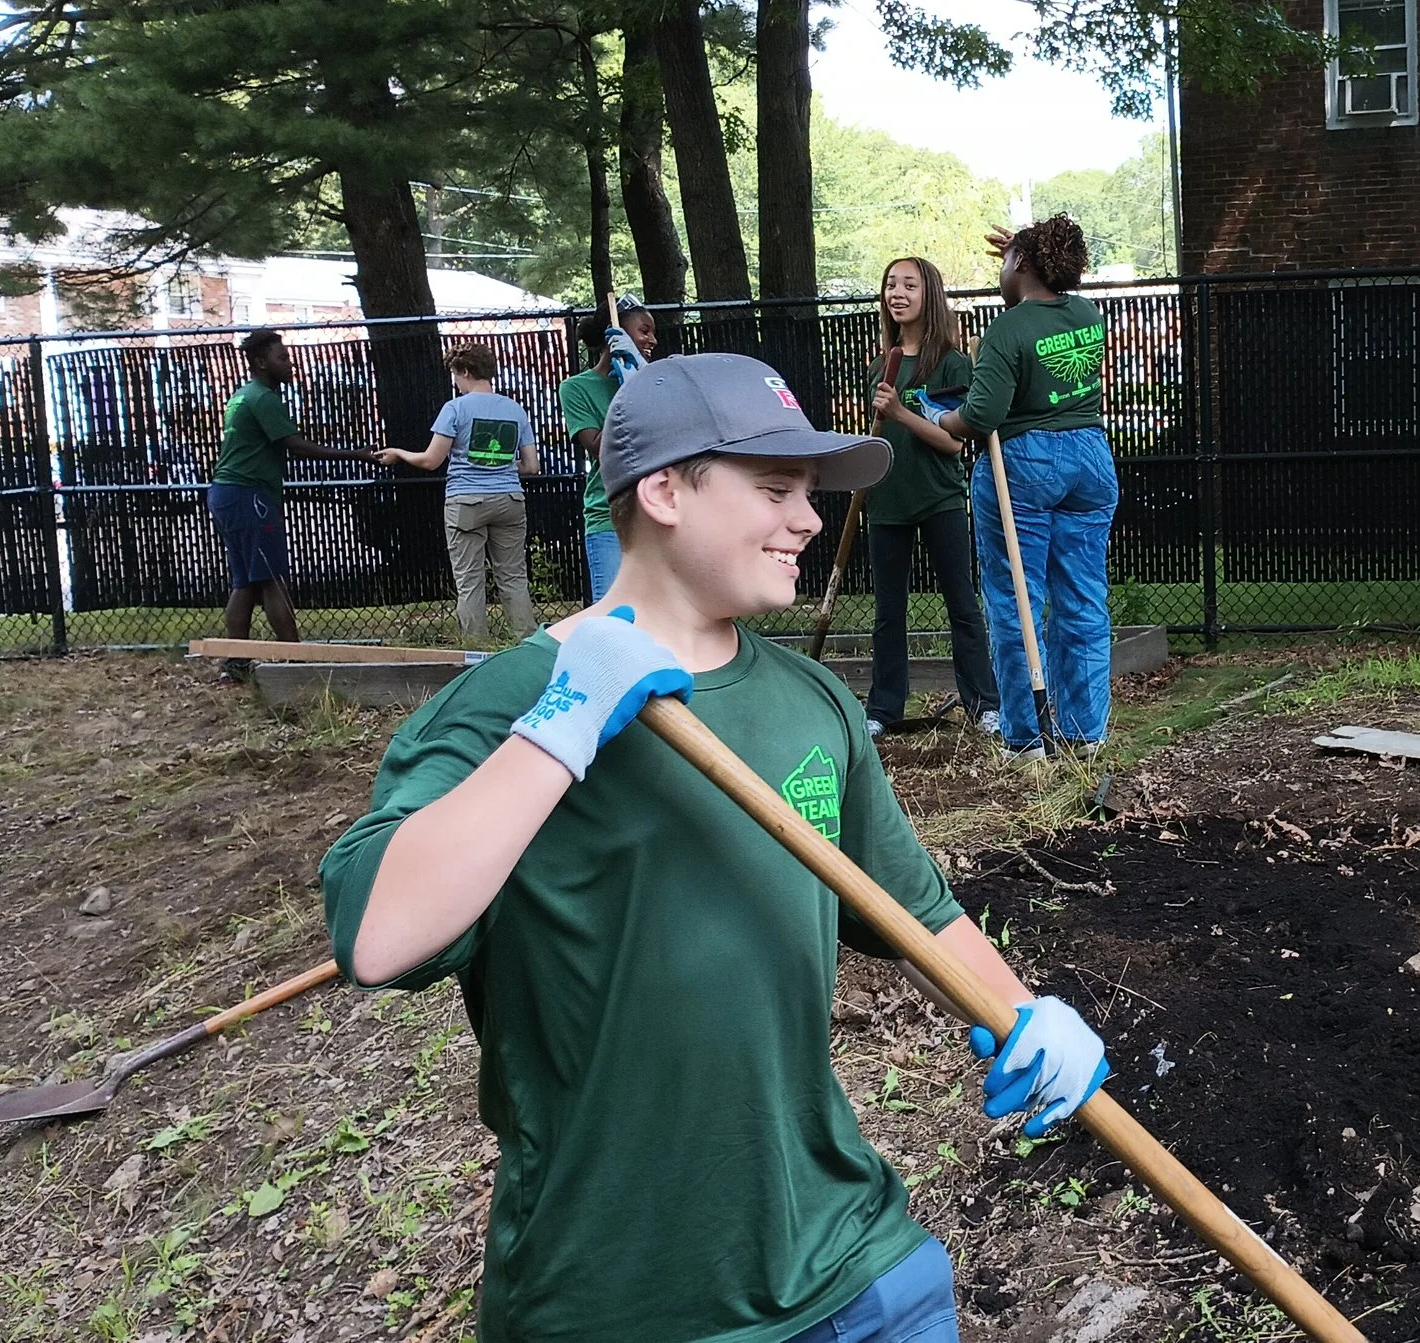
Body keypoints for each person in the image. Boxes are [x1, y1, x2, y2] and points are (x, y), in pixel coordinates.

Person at [318, 352, 1110, 1343]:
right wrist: (560, 726)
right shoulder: (504, 706)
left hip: (853, 1268)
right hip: (615, 1300)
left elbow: (916, 913)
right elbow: (377, 936)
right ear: (663, 492)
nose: (809, 519)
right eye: (776, 489)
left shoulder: (812, 704)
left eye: (810, 492)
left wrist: (1025, 1012)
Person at [916, 215, 1116, 758]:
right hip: (1090, 458)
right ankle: (1085, 732)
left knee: (1015, 599)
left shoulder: (1006, 330)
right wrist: (1030, 252)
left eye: (1007, 261)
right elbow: (1042, 293)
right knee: (1082, 597)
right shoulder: (1085, 313)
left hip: (1025, 464)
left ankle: (1026, 738)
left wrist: (938, 416)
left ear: (1021, 263)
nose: (1000, 270)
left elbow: (980, 417)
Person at [865, 256, 1000, 739]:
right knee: (888, 612)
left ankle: (984, 705)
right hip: (886, 500)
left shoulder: (950, 362)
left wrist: (901, 412)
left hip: (939, 497)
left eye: (909, 285)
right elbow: (878, 436)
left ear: (930, 295)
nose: (897, 294)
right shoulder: (880, 366)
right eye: (890, 285)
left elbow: (952, 442)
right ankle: (883, 710)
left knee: (962, 603)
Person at [207, 329, 381, 643]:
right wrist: (355, 454)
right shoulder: (263, 398)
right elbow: (295, 445)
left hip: (226, 493)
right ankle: (293, 656)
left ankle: (236, 659)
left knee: (245, 582)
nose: (291, 364)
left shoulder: (242, 394)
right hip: (249, 494)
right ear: (261, 362)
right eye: (283, 358)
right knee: (273, 579)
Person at [376, 345, 544, 642]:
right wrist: (500, 465)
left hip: (466, 502)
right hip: (509, 500)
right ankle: (527, 644)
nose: (455, 382)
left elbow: (431, 460)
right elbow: (531, 466)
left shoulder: (455, 409)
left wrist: (399, 453)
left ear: (465, 371)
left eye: (455, 375)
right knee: (514, 578)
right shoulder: (514, 410)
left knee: (470, 581)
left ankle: (476, 649)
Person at [558, 302, 659, 602]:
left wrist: (643, 382)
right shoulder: (576, 388)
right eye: (644, 331)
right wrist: (629, 392)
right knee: (614, 616)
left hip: (657, 515)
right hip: (609, 515)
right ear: (614, 335)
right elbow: (602, 448)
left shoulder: (656, 381)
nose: (653, 340)